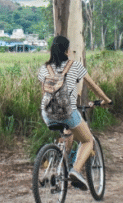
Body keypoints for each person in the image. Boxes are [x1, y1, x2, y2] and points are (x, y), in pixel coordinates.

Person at [38, 35, 112, 191]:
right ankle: (75, 171)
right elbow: (94, 87)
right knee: (87, 140)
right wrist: (106, 100)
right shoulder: (75, 66)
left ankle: (60, 164)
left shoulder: (44, 68)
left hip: (46, 113)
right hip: (67, 111)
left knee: (68, 132)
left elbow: (45, 93)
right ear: (67, 51)